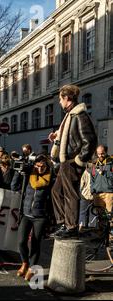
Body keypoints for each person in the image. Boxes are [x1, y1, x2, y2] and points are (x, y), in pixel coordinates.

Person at [49, 84, 97, 238]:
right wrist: (57, 137)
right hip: (66, 161)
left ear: (67, 98)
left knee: (70, 194)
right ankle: (65, 223)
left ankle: (71, 227)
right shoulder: (70, 115)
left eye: (60, 99)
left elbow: (90, 141)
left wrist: (77, 161)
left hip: (71, 162)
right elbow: (69, 137)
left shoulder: (79, 115)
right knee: (56, 191)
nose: (59, 102)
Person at [17, 155, 53, 281]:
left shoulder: (50, 179)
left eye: (43, 166)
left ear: (47, 166)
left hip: (40, 216)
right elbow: (14, 185)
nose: (40, 168)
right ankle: (25, 263)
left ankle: (32, 268)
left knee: (35, 243)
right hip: (26, 214)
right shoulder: (29, 176)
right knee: (21, 241)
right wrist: (19, 173)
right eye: (38, 166)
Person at [90, 145, 113, 214]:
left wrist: (104, 174)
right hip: (98, 194)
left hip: (109, 194)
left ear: (106, 152)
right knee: (99, 217)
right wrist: (92, 190)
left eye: (102, 153)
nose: (100, 155)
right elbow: (92, 178)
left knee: (110, 216)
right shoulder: (94, 165)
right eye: (98, 154)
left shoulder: (111, 163)